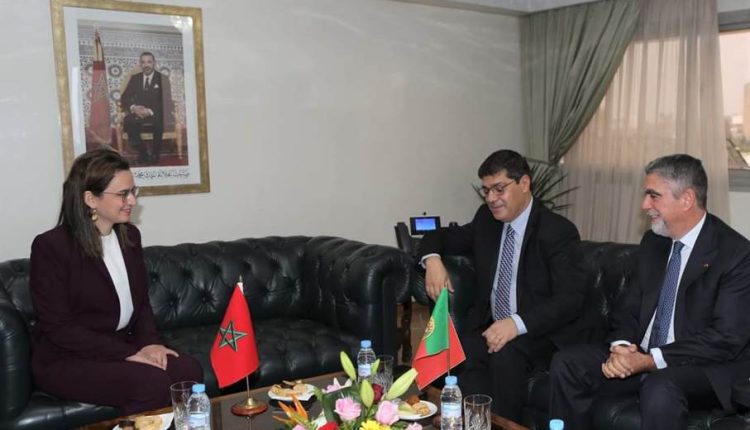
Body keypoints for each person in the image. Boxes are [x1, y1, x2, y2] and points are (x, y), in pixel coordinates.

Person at [548, 154, 750, 430]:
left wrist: (649, 361)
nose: (645, 205)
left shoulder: (735, 254)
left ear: (687, 199)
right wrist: (621, 348)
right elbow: (629, 309)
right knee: (568, 363)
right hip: (643, 355)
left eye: (654, 196)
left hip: (702, 367)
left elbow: (725, 338)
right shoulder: (654, 242)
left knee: (660, 386)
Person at [417, 149, 588, 421]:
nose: (491, 199)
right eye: (486, 191)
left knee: (505, 354)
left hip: (540, 332)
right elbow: (440, 235)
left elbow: (569, 299)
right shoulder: (487, 220)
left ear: (524, 183)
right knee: (464, 348)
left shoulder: (557, 231)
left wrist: (516, 324)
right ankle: (474, 424)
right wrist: (433, 260)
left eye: (499, 189)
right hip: (492, 325)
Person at [30, 147, 202, 415]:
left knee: (188, 371)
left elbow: (141, 304)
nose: (132, 200)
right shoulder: (52, 247)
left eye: (133, 191)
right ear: (91, 199)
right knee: (150, 384)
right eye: (123, 193)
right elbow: (59, 328)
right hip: (68, 357)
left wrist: (150, 343)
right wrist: (127, 354)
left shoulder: (130, 236)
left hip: (123, 344)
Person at [120, 52, 174, 165]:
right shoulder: (135, 78)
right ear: (140, 64)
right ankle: (143, 152)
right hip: (138, 113)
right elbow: (124, 97)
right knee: (128, 121)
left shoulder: (162, 79)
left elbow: (166, 101)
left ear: (154, 63)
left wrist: (149, 111)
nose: (146, 65)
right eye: (143, 62)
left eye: (149, 62)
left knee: (159, 121)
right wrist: (134, 108)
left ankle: (155, 154)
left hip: (155, 113)